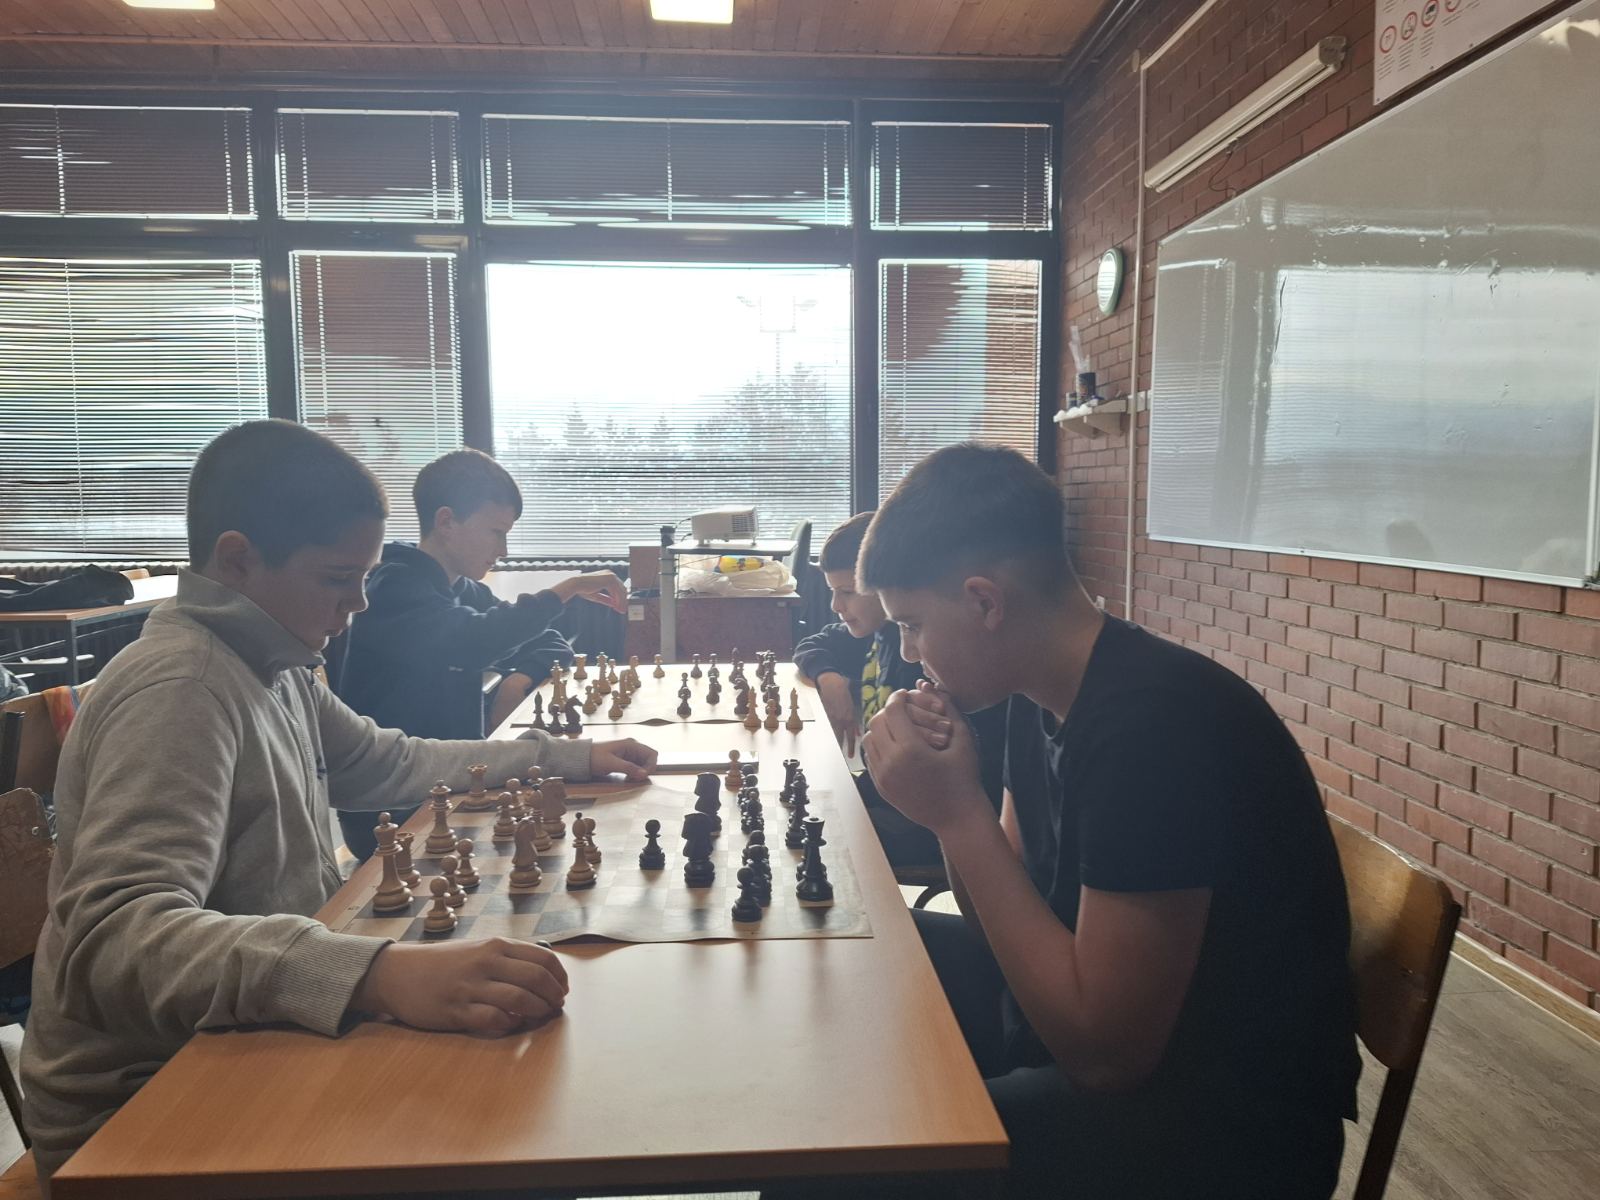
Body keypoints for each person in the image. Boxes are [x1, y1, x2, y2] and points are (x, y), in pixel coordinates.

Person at [20, 420, 656, 1182]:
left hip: (243, 1038)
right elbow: (113, 943)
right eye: (335, 578)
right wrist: (377, 975)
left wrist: (563, 757)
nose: (358, 603)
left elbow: (388, 760)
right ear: (237, 560)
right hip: (143, 1106)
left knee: (517, 1097)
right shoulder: (182, 688)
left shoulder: (274, 660)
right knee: (503, 1143)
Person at [856, 443, 1359, 1199]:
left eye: (913, 625)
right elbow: (1001, 911)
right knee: (870, 961)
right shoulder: (1036, 692)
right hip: (1098, 1043)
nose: (907, 655)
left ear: (985, 603)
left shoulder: (1155, 727)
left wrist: (956, 816)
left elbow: (1106, 1057)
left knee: (845, 1158)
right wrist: (945, 806)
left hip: (1220, 1129)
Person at [333, 448, 628, 859]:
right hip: (392, 811)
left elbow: (548, 641)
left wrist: (517, 680)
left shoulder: (464, 589)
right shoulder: (392, 587)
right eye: (495, 532)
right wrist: (568, 589)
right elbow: (471, 641)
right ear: (446, 522)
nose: (503, 549)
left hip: (456, 782)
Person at [793, 512, 1005, 868]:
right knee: (804, 808)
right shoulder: (873, 632)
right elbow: (811, 644)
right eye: (833, 592)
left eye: (847, 592)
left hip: (919, 823)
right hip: (890, 795)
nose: (835, 606)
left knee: (813, 840)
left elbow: (948, 794)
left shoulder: (933, 656)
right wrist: (829, 677)